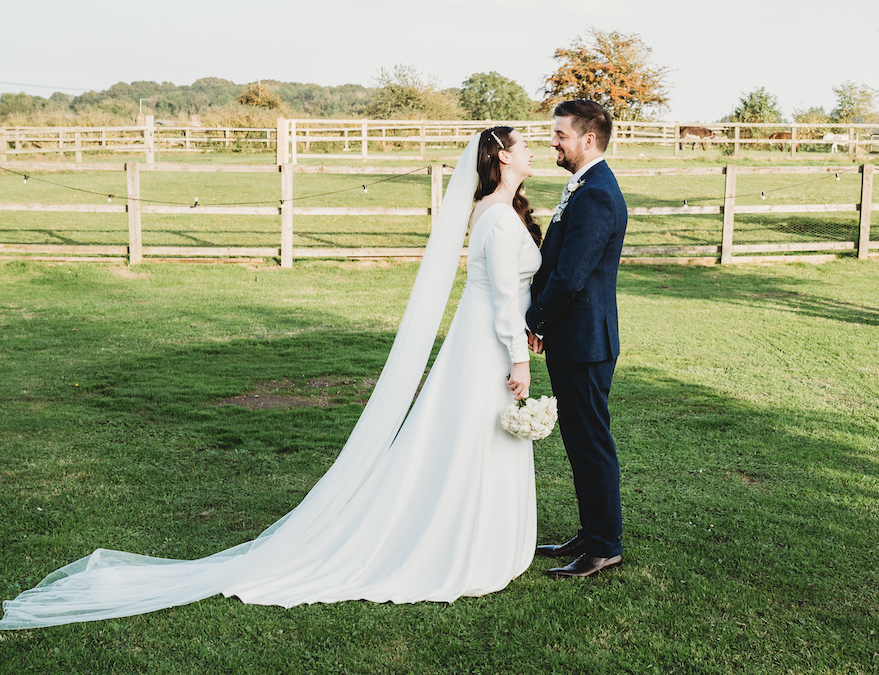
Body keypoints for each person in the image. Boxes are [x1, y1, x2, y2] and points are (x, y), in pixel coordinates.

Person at [0, 128, 542, 628]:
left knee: (482, 435)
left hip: (493, 339)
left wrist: (529, 329)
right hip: (488, 345)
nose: (532, 150)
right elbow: (500, 297)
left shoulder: (496, 211)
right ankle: (464, 543)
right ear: (500, 156)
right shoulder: (495, 216)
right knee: (477, 433)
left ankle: (481, 536)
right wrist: (519, 356)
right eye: (524, 145)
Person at [526, 100, 628, 578]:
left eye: (560, 134)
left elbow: (570, 275)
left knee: (590, 444)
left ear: (588, 139)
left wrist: (536, 320)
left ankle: (604, 546)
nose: (553, 142)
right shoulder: (585, 186)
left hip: (586, 340)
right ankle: (591, 533)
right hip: (577, 338)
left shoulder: (597, 194)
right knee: (581, 441)